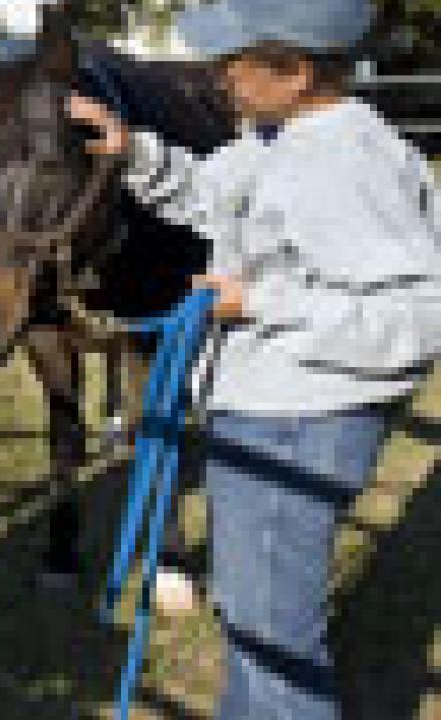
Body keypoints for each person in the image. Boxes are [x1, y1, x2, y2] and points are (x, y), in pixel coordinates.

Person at [69, 1, 441, 717]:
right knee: (252, 619)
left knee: (275, 644)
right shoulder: (278, 139)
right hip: (267, 411)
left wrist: (262, 303)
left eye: (230, 65)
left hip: (300, 424)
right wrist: (135, 151)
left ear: (297, 72)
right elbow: (216, 196)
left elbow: (416, 316)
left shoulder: (348, 163)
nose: (216, 79)